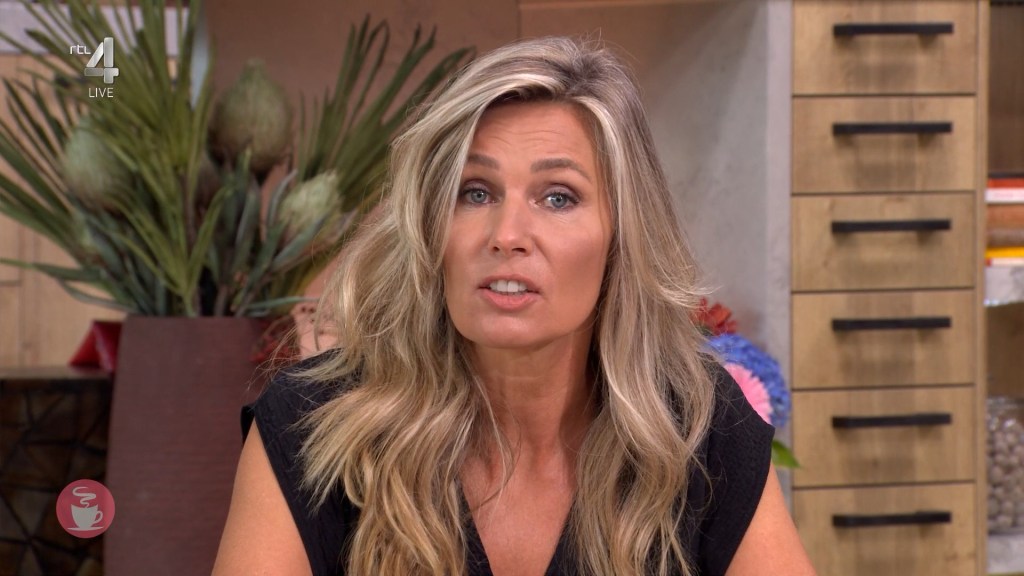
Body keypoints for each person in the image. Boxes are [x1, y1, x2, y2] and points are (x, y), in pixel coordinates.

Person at [212, 36, 816, 576]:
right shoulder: (312, 425)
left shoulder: (698, 427)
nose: (506, 234)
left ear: (621, 237)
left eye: (558, 198)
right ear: (431, 228)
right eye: (475, 192)